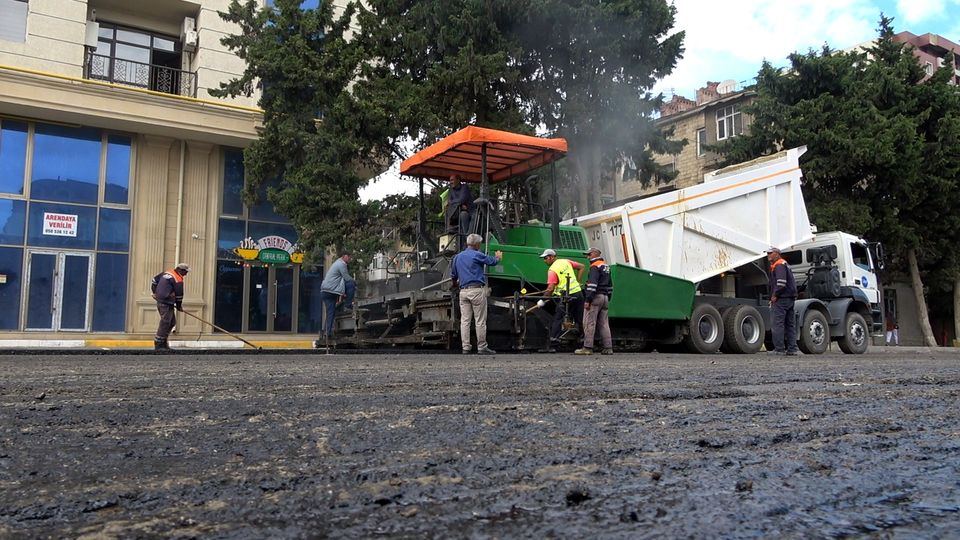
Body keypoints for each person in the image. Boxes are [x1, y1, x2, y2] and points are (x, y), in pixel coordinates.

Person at [451, 233, 503, 354]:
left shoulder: (457, 257)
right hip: (476, 290)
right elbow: (491, 262)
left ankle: (466, 347)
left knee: (465, 321)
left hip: (463, 291)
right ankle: (481, 347)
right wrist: (498, 258)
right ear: (477, 244)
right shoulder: (477, 255)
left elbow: (453, 276)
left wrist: (455, 285)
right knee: (480, 320)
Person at [539, 248, 586, 352]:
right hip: (578, 293)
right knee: (579, 319)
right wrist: (578, 281)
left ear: (552, 257)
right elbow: (582, 267)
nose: (544, 260)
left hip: (566, 295)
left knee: (558, 318)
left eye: (545, 258)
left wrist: (542, 300)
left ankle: (553, 343)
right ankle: (584, 342)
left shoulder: (552, 270)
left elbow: (550, 288)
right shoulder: (566, 261)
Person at [575, 247, 614, 355]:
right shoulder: (606, 266)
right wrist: (608, 297)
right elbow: (610, 285)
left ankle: (587, 347)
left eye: (589, 255)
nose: (587, 257)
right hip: (605, 297)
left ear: (594, 254)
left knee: (589, 322)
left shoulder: (594, 266)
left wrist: (588, 299)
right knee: (604, 324)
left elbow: (592, 285)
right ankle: (608, 348)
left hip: (596, 297)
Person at [767, 247, 798, 356]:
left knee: (778, 324)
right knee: (790, 325)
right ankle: (792, 349)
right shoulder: (784, 264)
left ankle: (779, 349)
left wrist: (775, 295)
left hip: (782, 298)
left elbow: (781, 283)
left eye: (770, 253)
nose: (768, 255)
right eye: (767, 253)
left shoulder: (779, 265)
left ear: (777, 254)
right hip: (790, 298)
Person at [320, 251, 356, 343]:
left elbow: (340, 281)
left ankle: (326, 333)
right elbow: (347, 278)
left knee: (331, 313)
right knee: (351, 284)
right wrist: (356, 283)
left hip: (326, 291)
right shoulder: (341, 264)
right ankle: (348, 305)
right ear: (344, 256)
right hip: (329, 292)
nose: (350, 259)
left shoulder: (336, 263)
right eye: (349, 257)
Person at [152, 263, 189, 351]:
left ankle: (164, 342)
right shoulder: (178, 279)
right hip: (165, 302)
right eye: (186, 272)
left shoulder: (167, 273)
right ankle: (159, 343)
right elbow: (179, 296)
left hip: (166, 301)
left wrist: (155, 292)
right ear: (181, 270)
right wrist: (179, 306)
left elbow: (154, 281)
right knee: (166, 321)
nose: (186, 274)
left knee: (172, 322)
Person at [446, 174, 475, 252]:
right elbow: (449, 201)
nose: (450, 182)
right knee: (449, 212)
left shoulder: (464, 187)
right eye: (450, 180)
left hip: (469, 212)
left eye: (452, 180)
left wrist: (456, 203)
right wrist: (459, 205)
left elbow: (462, 199)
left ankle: (467, 240)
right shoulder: (450, 190)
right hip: (456, 213)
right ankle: (450, 234)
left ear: (458, 180)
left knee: (463, 215)